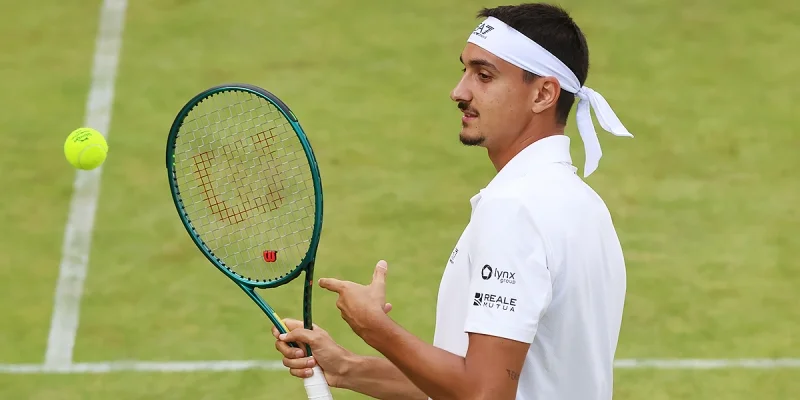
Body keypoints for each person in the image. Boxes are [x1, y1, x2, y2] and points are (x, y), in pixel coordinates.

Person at [273, 3, 632, 399]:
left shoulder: (514, 210)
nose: (459, 91)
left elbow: (484, 393)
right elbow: (510, 380)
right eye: (464, 71)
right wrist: (348, 368)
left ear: (543, 94)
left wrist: (376, 328)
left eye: (484, 76)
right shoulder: (584, 204)